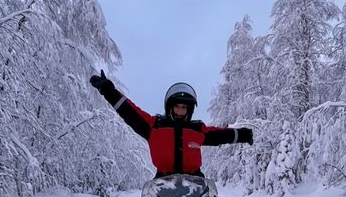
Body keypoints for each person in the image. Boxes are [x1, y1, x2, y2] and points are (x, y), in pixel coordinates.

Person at [89, 71, 253, 176]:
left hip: (195, 182)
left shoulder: (198, 129)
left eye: (184, 107)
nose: (180, 110)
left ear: (189, 110)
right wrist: (108, 90)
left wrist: (244, 134)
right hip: (162, 182)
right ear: (170, 107)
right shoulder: (154, 126)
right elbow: (129, 111)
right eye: (177, 106)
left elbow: (220, 135)